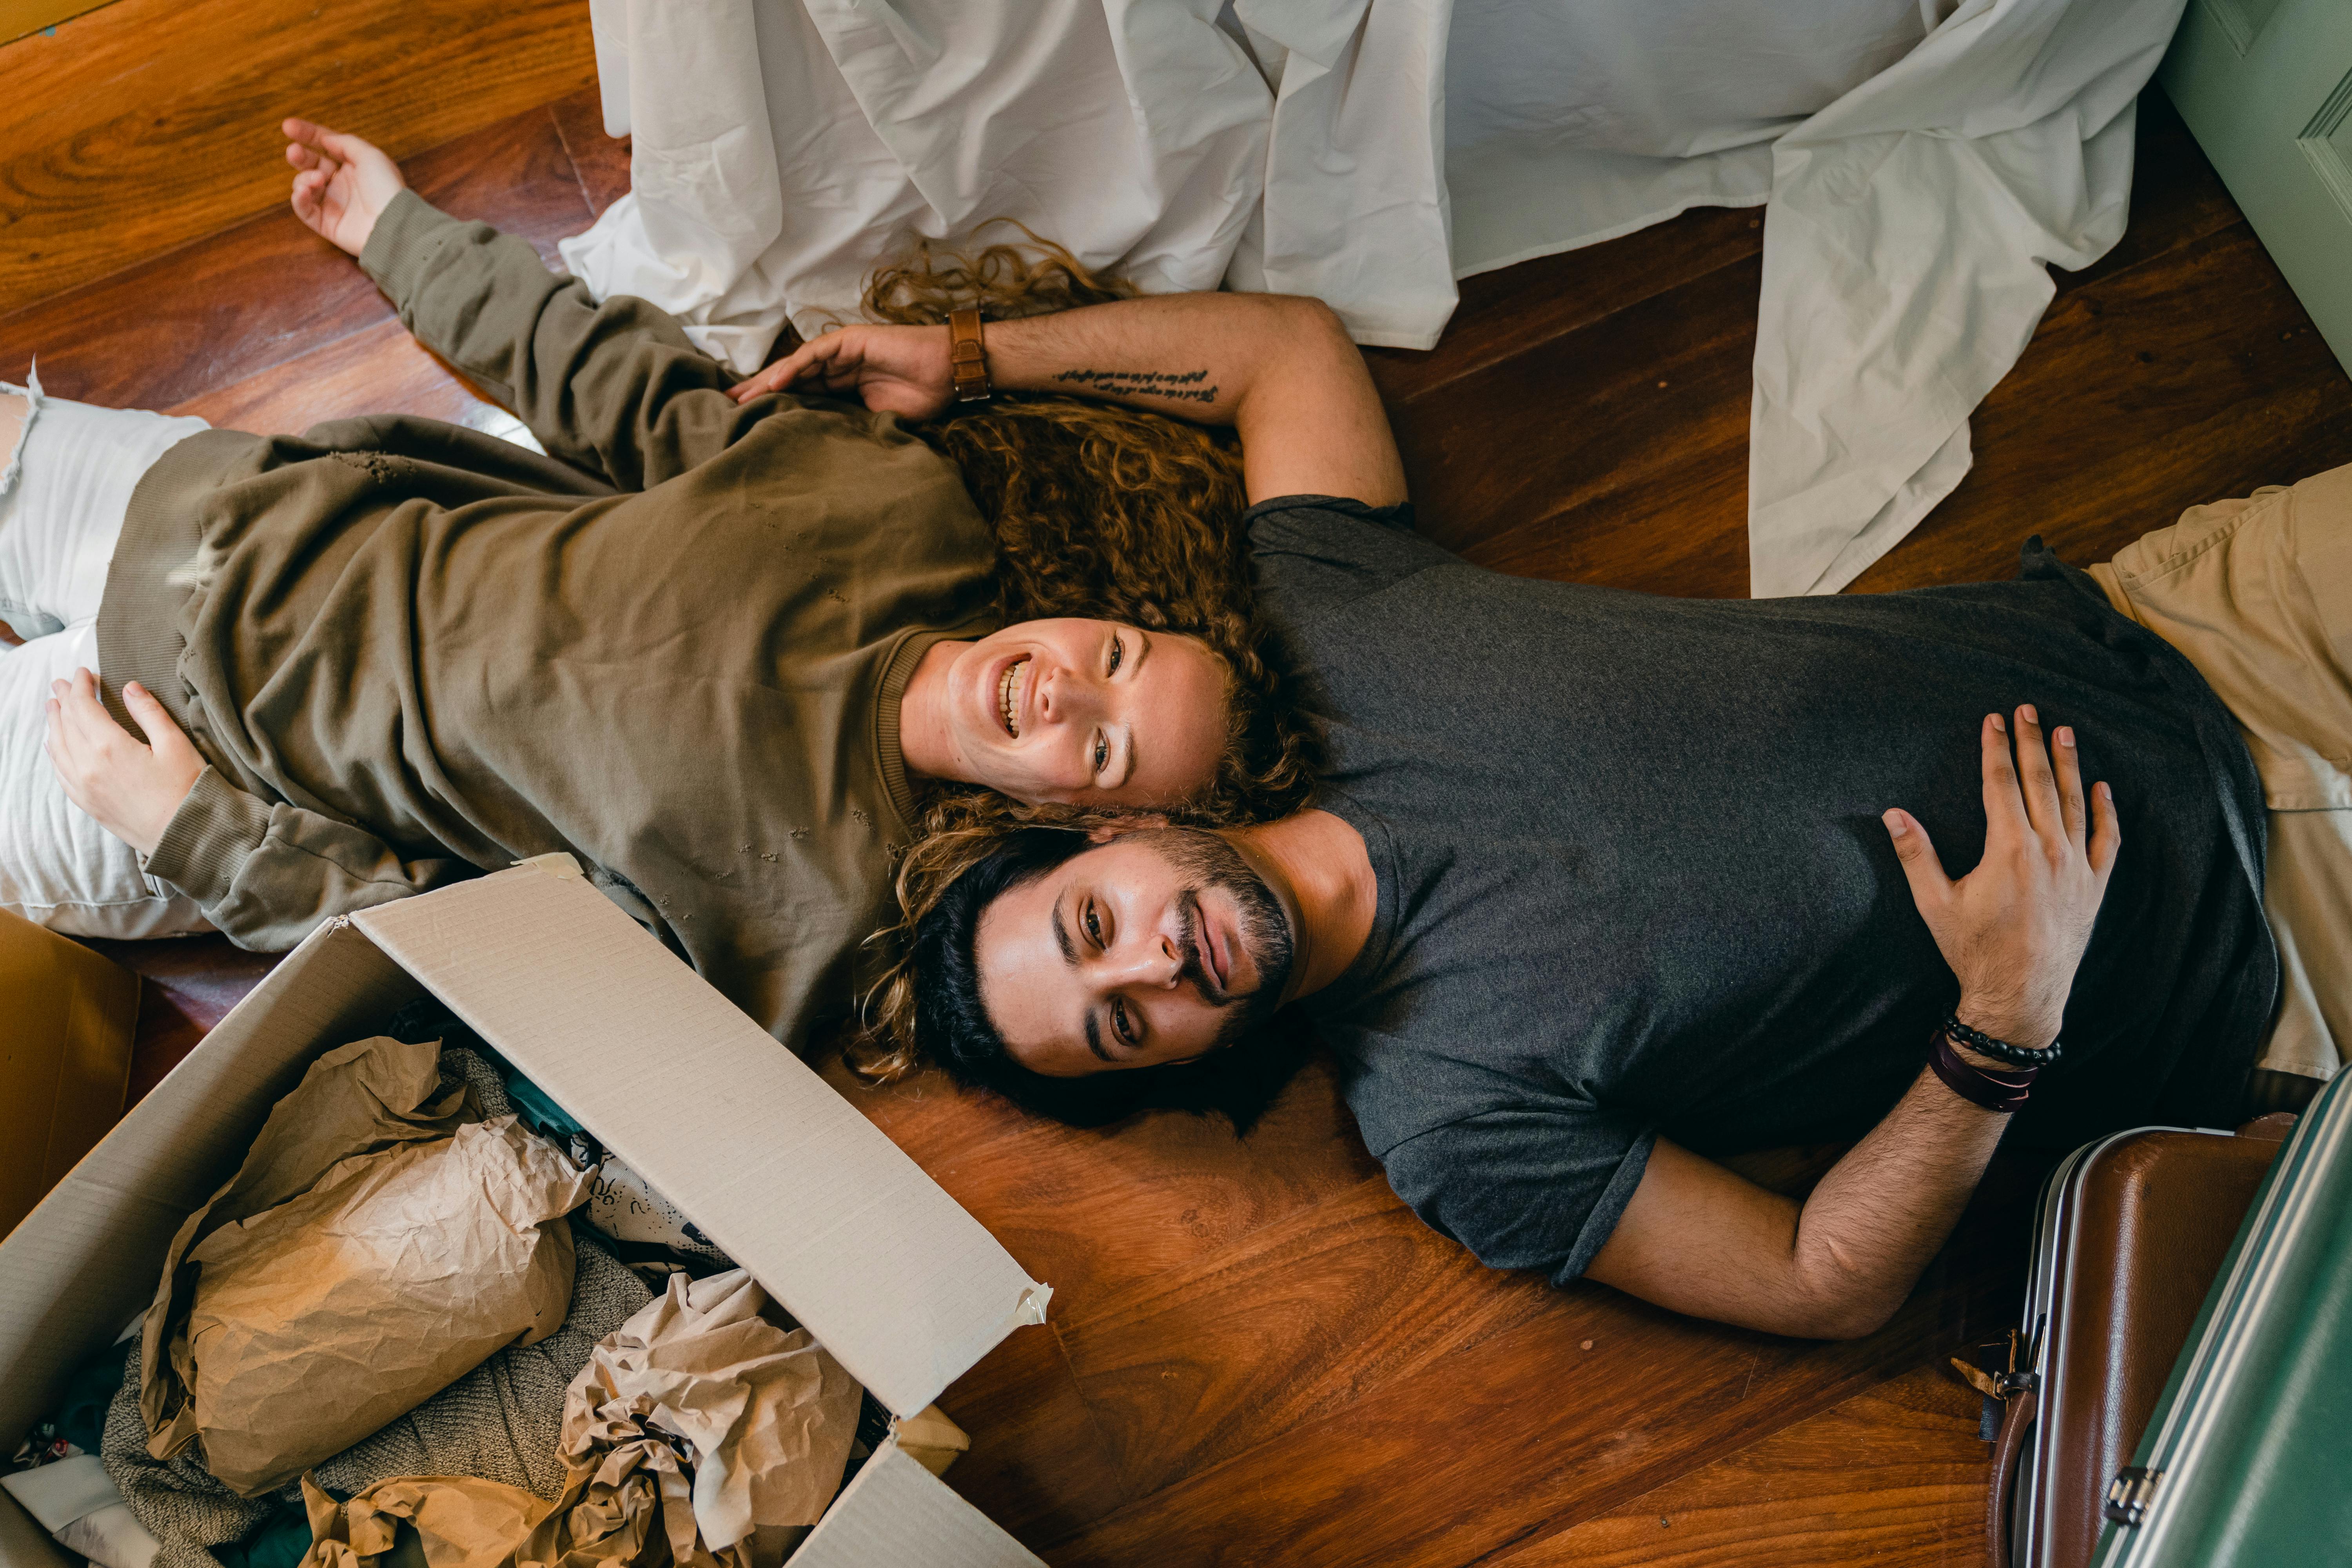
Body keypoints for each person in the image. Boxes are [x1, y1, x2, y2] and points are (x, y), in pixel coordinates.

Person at [810, 291, 2352, 1336]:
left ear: (1109, 842)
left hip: (2201, 624)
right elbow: (1820, 1281)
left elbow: (1283, 350)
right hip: (2264, 973)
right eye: (1127, 1026)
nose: (1154, 967)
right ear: (1188, 1062)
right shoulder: (1448, 1127)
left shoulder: (1333, 619)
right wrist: (2002, 1025)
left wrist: (971, 355)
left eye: (1094, 930)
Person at [3, 119, 1319, 1049]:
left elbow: (479, 974)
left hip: (184, 767)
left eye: (1102, 752)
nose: (1069, 694)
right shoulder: (908, 512)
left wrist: (195, 834)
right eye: (1120, 660)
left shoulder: (817, 923)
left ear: (1083, 832)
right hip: (221, 513)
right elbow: (620, 389)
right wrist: (402, 234)